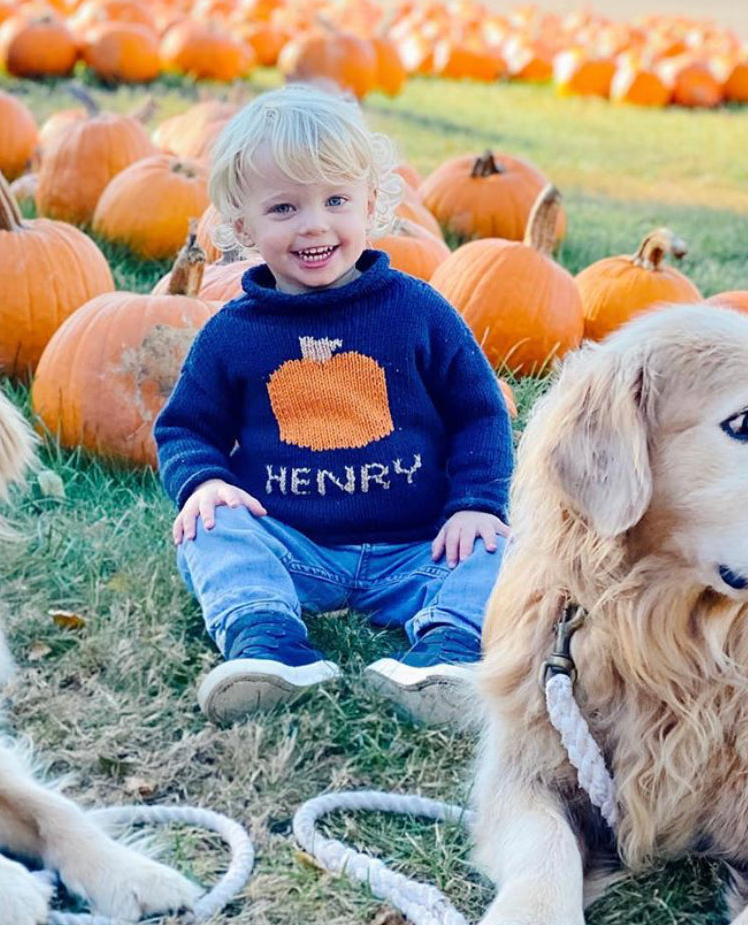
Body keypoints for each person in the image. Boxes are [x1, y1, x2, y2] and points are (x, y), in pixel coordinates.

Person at [153, 83, 514, 728]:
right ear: (243, 227)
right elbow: (185, 427)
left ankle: (447, 652)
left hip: (420, 549)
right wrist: (203, 481)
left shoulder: (416, 311)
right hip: (295, 548)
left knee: (507, 547)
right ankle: (268, 642)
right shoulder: (233, 332)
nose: (315, 224)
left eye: (336, 200)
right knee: (206, 528)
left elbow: (479, 414)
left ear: (370, 205)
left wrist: (475, 507)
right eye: (285, 207)